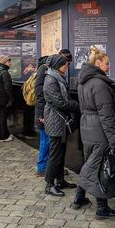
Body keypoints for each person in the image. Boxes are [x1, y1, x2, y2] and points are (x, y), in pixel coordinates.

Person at [73, 47, 115, 219]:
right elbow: (106, 115)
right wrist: (114, 140)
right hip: (99, 129)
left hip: (87, 126)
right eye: (107, 64)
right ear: (98, 63)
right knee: (100, 168)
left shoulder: (83, 81)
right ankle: (102, 209)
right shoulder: (100, 84)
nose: (109, 67)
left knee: (91, 164)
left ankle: (79, 199)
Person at [43, 54, 79, 197]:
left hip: (60, 120)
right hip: (55, 121)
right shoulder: (50, 80)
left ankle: (60, 180)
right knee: (55, 154)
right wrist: (76, 106)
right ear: (58, 65)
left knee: (61, 152)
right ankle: (49, 184)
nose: (67, 66)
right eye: (65, 64)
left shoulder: (57, 78)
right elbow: (60, 103)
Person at [0, 55, 14, 143]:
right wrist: (11, 98)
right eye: (9, 62)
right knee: (3, 118)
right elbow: (8, 87)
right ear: (4, 62)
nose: (10, 63)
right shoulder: (5, 72)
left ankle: (6, 133)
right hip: (3, 99)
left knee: (2, 117)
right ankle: (2, 137)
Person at [35, 55, 50, 177]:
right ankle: (42, 168)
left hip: (44, 112)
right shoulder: (43, 70)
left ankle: (47, 166)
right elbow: (40, 95)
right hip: (43, 112)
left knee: (46, 141)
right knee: (45, 141)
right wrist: (42, 114)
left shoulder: (42, 70)